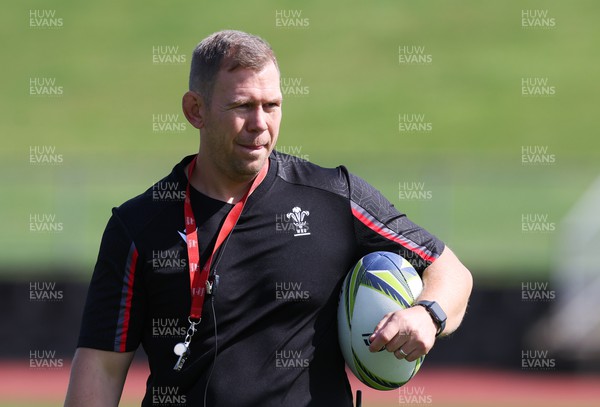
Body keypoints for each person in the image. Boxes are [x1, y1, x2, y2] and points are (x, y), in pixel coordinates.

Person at [64, 30, 472, 407]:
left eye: (271, 105)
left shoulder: (334, 197)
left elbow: (450, 271)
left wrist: (427, 315)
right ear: (195, 110)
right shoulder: (138, 226)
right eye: (242, 106)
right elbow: (101, 365)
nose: (260, 124)